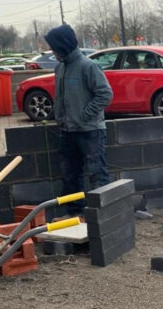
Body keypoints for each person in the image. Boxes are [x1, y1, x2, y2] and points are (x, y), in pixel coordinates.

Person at [44, 24, 113, 217]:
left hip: (90, 131)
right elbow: (61, 98)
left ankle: (103, 216)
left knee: (97, 174)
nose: (52, 51)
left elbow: (105, 94)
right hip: (67, 131)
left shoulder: (88, 66)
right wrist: (57, 116)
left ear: (63, 45)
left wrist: (84, 115)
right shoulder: (60, 68)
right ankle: (75, 213)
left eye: (54, 47)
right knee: (70, 176)